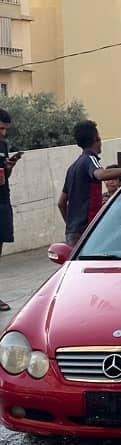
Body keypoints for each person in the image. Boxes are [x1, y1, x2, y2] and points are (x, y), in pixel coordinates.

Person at [58, 120, 121, 246]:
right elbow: (101, 174)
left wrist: (71, 225)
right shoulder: (89, 159)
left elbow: (61, 202)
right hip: (88, 231)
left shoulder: (72, 168)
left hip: (73, 233)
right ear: (97, 138)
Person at [0, 108, 22, 311]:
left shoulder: (3, 144)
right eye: (0, 129)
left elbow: (5, 175)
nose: (3, 133)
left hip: (2, 201)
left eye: (5, 129)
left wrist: (9, 166)